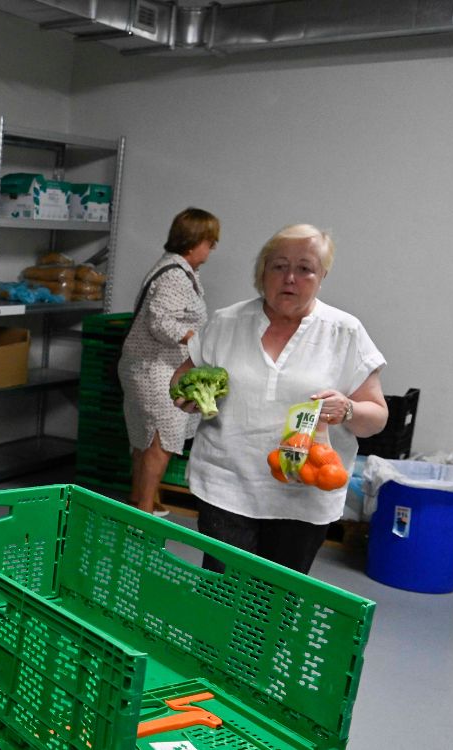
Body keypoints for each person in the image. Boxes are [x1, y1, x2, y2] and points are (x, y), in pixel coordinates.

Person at [172, 224, 388, 574]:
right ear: (262, 272)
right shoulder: (227, 322)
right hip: (227, 484)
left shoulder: (345, 332)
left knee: (279, 603)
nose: (290, 277)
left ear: (322, 276)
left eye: (305, 268)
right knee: (222, 594)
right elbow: (183, 376)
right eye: (279, 266)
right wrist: (188, 396)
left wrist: (348, 409)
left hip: (304, 494)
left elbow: (376, 416)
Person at [118, 207, 220, 517]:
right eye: (210, 241)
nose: (212, 248)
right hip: (155, 369)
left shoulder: (177, 269)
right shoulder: (175, 275)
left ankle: (139, 501)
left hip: (149, 366)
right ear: (194, 241)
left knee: (146, 438)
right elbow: (160, 322)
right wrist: (196, 338)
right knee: (160, 441)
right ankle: (145, 513)